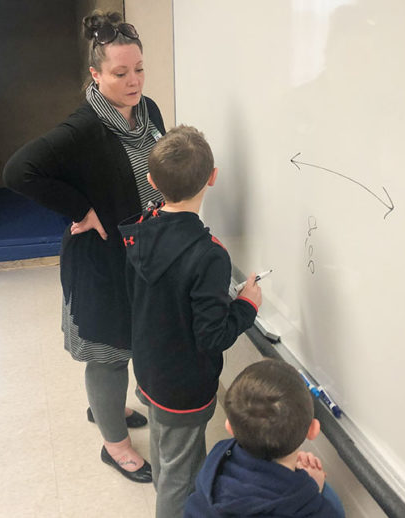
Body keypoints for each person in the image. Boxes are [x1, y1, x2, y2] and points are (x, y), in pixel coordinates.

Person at [3, 11, 164, 483]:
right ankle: (114, 446)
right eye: (120, 73)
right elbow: (18, 171)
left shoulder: (147, 109)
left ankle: (108, 409)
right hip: (102, 262)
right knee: (109, 352)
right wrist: (79, 209)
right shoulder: (83, 128)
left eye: (138, 69)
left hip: (142, 255)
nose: (133, 81)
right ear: (95, 75)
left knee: (132, 343)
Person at [118, 125, 262, 517]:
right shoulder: (209, 254)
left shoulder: (139, 231)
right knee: (181, 477)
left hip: (150, 368)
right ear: (212, 178)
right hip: (183, 387)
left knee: (169, 454)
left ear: (151, 181)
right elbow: (211, 335)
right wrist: (246, 305)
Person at [184, 359, 346, 517]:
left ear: (229, 427)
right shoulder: (318, 510)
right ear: (312, 430)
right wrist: (312, 490)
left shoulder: (214, 466)